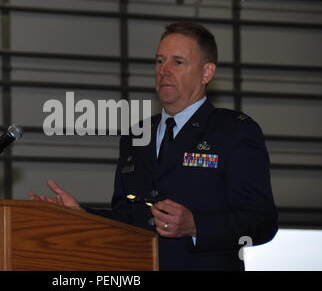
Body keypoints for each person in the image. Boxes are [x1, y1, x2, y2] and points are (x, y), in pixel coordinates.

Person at [28, 21, 278, 271]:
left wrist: (195, 225)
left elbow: (261, 221)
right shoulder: (136, 135)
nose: (164, 71)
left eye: (177, 62)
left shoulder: (234, 131)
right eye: (160, 61)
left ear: (207, 73)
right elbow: (126, 218)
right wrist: (80, 214)